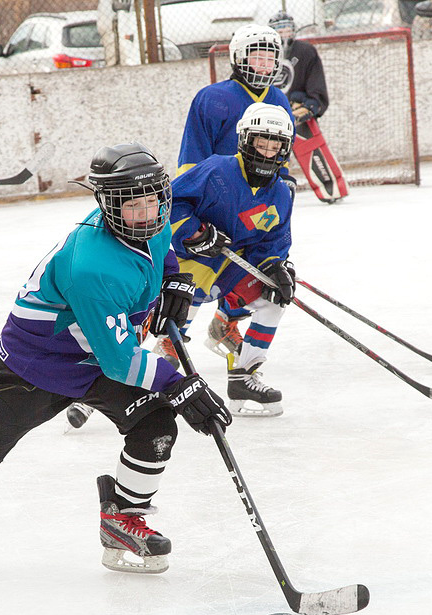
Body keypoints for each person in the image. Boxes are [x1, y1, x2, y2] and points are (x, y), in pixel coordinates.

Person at [0, 143, 230, 575]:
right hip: (33, 367)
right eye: (135, 205)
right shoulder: (91, 265)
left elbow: (161, 249)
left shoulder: (151, 221)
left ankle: (121, 519)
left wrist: (175, 280)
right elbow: (120, 361)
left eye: (154, 200)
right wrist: (178, 384)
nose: (149, 213)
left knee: (155, 425)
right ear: (109, 205)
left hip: (92, 360)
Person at [176, 23, 294, 364]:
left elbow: (281, 157)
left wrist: (280, 192)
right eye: (256, 56)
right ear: (238, 58)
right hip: (213, 199)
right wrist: (194, 220)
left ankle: (227, 322)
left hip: (255, 200)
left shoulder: (279, 99)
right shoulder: (212, 98)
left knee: (257, 263)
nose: (264, 65)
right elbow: (192, 158)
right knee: (202, 266)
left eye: (270, 58)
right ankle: (170, 341)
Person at [170, 103, 297, 417]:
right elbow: (169, 203)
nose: (267, 153)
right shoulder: (217, 169)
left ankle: (243, 376)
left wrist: (275, 265)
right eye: (261, 144)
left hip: (231, 267)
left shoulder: (281, 193)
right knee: (171, 322)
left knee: (273, 298)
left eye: (275, 146)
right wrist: (194, 232)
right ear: (245, 140)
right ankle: (132, 375)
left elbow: (273, 239)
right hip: (189, 263)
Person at [269, 11, 347, 205]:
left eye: (287, 27)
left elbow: (316, 90)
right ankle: (265, 196)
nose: (284, 32)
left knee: (312, 150)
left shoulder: (305, 52)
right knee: (266, 158)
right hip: (271, 118)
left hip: (297, 115)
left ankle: (331, 190)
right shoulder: (264, 55)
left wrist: (308, 105)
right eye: (279, 28)